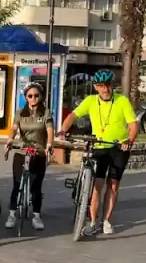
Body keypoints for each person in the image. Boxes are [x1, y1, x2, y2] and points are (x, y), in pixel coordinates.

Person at [57, 69, 138, 236]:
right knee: (97, 185)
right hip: (99, 147)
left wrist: (128, 141)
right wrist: (63, 130)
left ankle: (106, 220)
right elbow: (72, 116)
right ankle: (93, 222)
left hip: (119, 147)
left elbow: (133, 125)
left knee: (113, 185)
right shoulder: (91, 101)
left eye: (107, 85)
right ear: (96, 87)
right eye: (101, 86)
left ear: (112, 85)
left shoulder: (122, 101)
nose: (105, 89)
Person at [3, 83, 54, 231]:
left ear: (41, 97)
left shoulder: (46, 113)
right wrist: (10, 139)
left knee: (36, 186)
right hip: (22, 150)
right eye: (30, 96)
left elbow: (50, 130)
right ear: (26, 97)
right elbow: (14, 128)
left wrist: (49, 144)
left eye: (36, 95)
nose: (33, 98)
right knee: (17, 184)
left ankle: (36, 216)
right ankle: (12, 215)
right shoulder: (20, 113)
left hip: (38, 151)